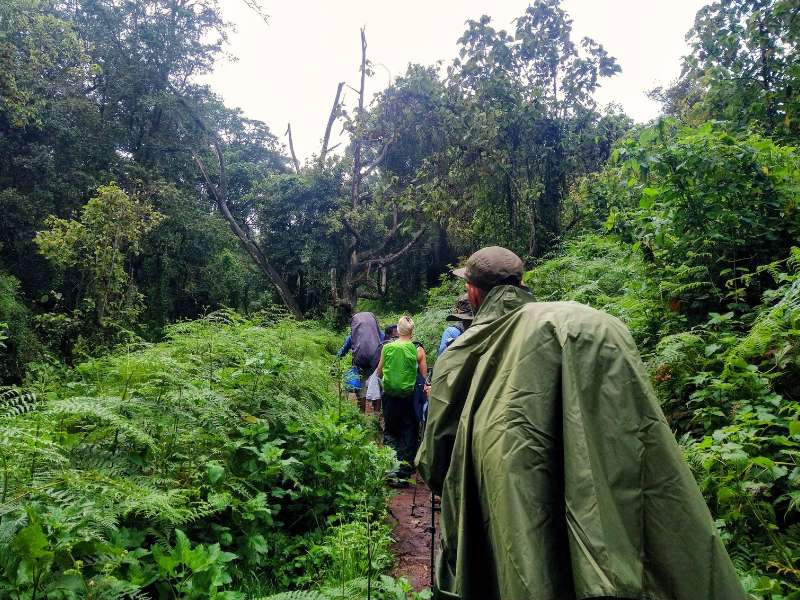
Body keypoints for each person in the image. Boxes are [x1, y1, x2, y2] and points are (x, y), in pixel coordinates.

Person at [416, 246, 745, 600]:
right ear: (523, 283)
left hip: (512, 517)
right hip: (608, 517)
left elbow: (435, 466)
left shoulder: (462, 352)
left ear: (472, 291)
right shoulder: (599, 326)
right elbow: (641, 442)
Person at [376, 315, 428, 482]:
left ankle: (391, 470)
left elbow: (379, 372)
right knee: (409, 430)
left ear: (397, 330)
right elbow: (423, 376)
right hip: (409, 397)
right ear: (412, 331)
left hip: (390, 397)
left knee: (391, 430)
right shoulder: (418, 350)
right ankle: (404, 472)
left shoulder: (387, 348)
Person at [336, 312, 384, 412]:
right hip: (376, 364)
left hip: (360, 363)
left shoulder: (353, 336)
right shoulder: (380, 334)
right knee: (377, 387)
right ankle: (376, 414)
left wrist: (335, 361)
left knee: (361, 388)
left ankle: (361, 413)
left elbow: (342, 351)